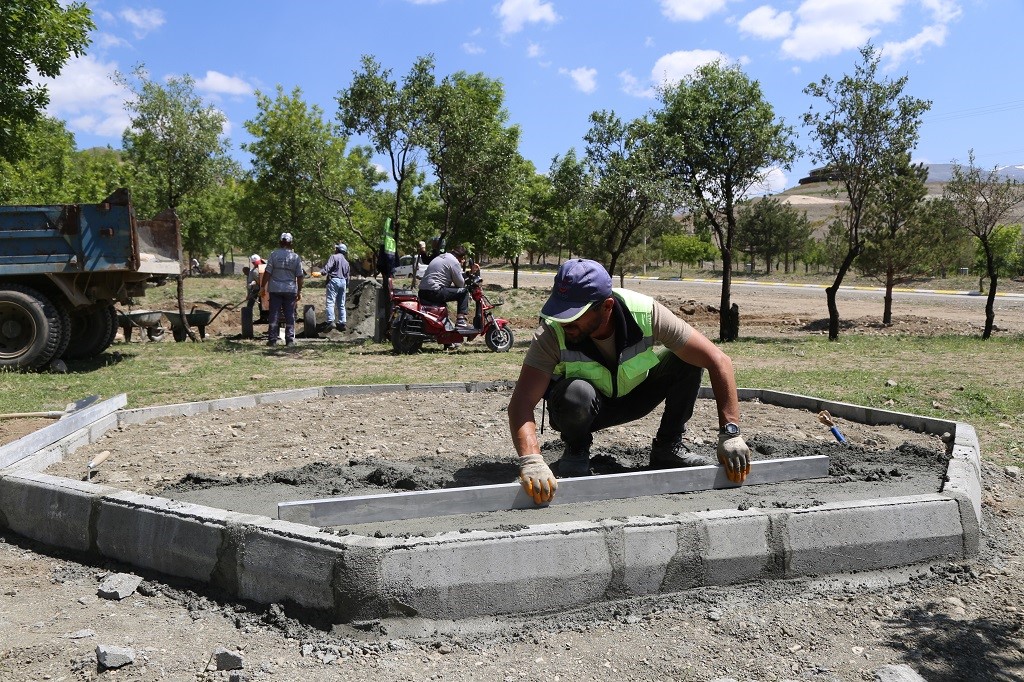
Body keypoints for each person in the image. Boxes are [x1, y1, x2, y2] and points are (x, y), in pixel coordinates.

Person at [507, 258, 752, 505]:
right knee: (576, 392)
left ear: (607, 306)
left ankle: (668, 446)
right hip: (583, 410)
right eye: (561, 311)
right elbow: (521, 404)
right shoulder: (551, 332)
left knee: (687, 359)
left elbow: (719, 360)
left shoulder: (645, 312)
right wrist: (532, 460)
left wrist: (730, 433)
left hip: (636, 397)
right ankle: (576, 449)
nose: (565, 322)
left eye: (575, 315)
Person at [418, 244, 476, 330]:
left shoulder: (441, 256)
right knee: (463, 292)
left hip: (423, 291)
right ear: (461, 257)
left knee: (448, 296)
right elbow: (460, 284)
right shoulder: (454, 262)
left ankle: (448, 339)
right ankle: (461, 322)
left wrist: (468, 273)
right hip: (434, 291)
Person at [263, 232, 304, 347]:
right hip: (290, 290)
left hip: (275, 289)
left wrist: (262, 286)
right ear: (291, 243)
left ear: (280, 242)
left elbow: (267, 272)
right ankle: (290, 340)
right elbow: (300, 276)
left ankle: (272, 340)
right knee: (289, 314)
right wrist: (299, 290)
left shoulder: (274, 255)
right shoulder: (295, 257)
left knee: (274, 314)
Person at [322, 243, 350, 332]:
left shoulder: (334, 257)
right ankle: (342, 323)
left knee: (330, 302)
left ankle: (330, 322)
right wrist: (347, 284)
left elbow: (328, 267)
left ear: (338, 250)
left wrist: (322, 272)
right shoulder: (346, 262)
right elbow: (348, 276)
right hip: (343, 282)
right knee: (341, 304)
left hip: (334, 280)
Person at [244, 254, 264, 320]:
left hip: (266, 289)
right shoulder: (254, 272)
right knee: (251, 302)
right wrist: (249, 294)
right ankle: (248, 319)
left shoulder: (267, 266)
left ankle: (263, 317)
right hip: (257, 288)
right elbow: (250, 285)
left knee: (262, 303)